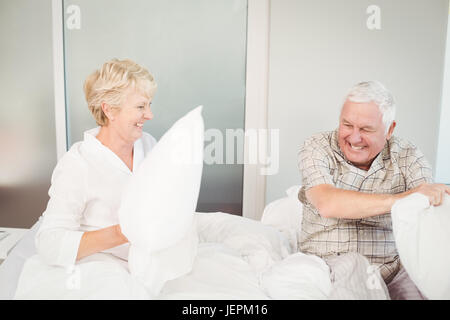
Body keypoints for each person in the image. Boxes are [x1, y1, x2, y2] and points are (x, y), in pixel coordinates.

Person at [297, 80, 450, 300]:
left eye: (366, 129)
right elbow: (327, 203)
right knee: (356, 265)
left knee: (425, 283)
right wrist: (402, 198)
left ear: (389, 130)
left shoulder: (408, 155)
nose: (354, 137)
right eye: (347, 125)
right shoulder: (317, 146)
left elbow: (426, 206)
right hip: (333, 260)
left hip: (393, 266)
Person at [35, 58, 157, 266]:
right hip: (106, 266)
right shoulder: (78, 164)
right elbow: (49, 243)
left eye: (149, 105)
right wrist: (121, 232)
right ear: (109, 110)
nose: (150, 115)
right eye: (140, 106)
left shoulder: (148, 144)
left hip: (152, 258)